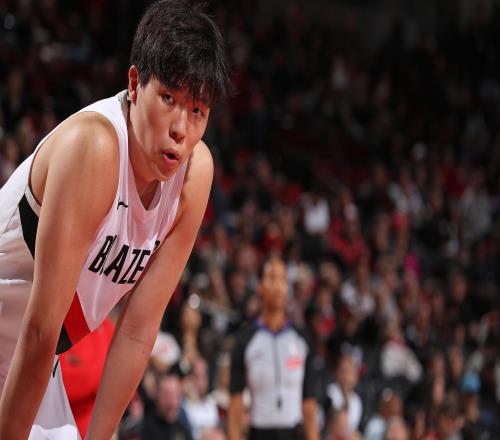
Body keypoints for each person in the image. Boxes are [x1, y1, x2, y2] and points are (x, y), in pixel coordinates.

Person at [0, 0, 229, 438]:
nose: (180, 129)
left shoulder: (194, 175)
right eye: (169, 99)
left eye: (197, 111)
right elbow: (41, 328)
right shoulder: (95, 148)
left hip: (32, 358)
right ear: (135, 83)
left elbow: (138, 331)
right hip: (28, 339)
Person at [228, 256, 319, 440]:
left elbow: (309, 401)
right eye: (272, 278)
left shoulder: (301, 338)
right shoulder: (245, 340)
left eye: (283, 279)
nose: (278, 286)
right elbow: (236, 402)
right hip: (259, 433)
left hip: (295, 433)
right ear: (259, 286)